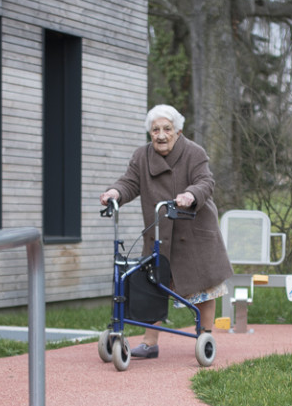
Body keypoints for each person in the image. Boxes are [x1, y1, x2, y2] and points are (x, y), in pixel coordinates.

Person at [99, 104, 232, 359]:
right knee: (152, 285)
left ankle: (205, 335)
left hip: (192, 230)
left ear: (178, 131)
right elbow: (129, 182)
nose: (161, 135)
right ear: (150, 132)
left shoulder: (194, 153)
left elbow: (206, 182)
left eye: (167, 129)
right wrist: (114, 192)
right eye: (155, 129)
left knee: (204, 288)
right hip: (159, 231)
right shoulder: (142, 156)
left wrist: (190, 195)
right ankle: (150, 343)